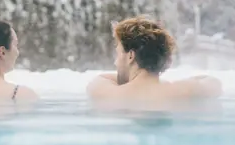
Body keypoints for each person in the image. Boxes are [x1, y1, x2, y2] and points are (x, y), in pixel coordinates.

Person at [86, 16, 222, 108]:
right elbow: (214, 83)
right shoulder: (184, 92)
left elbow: (99, 80)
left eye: (118, 53)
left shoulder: (109, 94)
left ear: (130, 56)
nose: (116, 63)